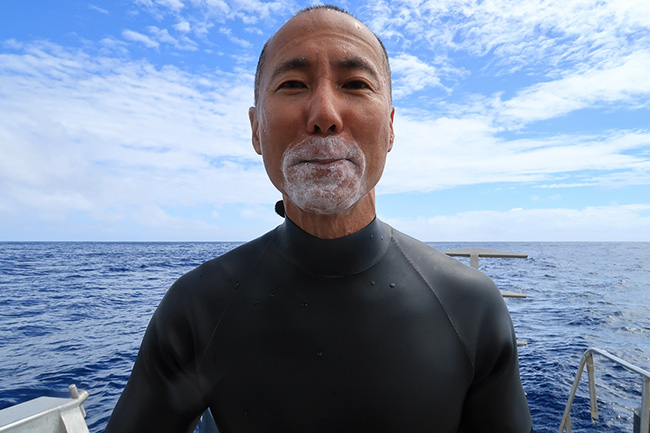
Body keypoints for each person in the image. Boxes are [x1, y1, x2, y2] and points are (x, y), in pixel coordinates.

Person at [106, 5, 533, 433]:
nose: (324, 114)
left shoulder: (472, 307)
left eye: (355, 84)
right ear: (256, 130)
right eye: (292, 84)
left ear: (389, 128)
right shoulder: (195, 310)